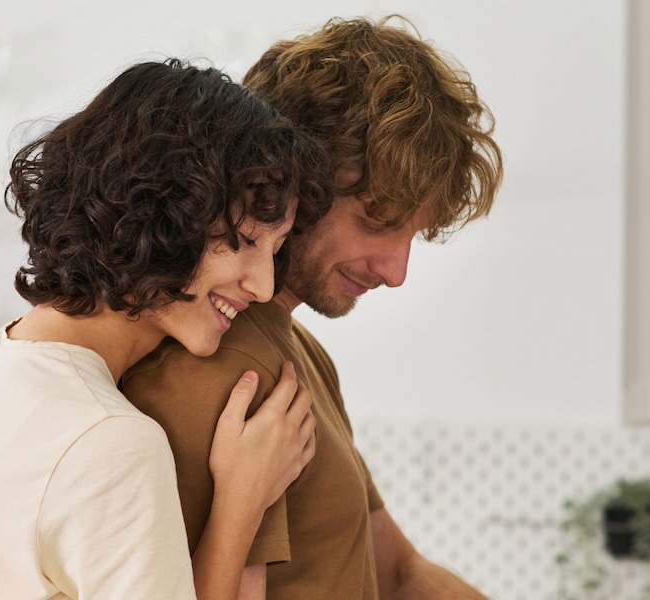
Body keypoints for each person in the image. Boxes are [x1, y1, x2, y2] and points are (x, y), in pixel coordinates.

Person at [123, 17, 503, 600]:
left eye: (413, 237)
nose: (397, 272)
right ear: (292, 182)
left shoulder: (302, 354)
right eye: (376, 223)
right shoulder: (224, 366)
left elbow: (400, 574)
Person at [0, 59, 332, 600]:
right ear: (166, 213)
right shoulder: (112, 442)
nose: (264, 285)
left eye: (276, 249)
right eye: (246, 240)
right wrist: (242, 502)